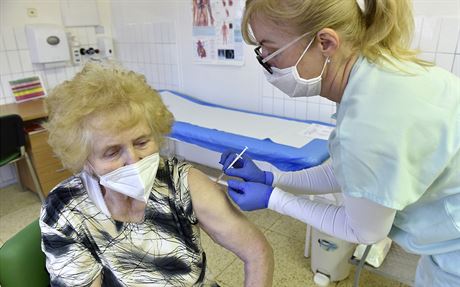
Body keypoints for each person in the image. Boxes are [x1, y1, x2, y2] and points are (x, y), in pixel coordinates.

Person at [218, 0, 460, 286]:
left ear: (325, 42)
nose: (267, 63)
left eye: (270, 49)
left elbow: (363, 231)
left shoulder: (372, 117)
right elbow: (347, 172)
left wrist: (274, 200)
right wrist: (273, 179)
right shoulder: (377, 75)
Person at [40, 62, 273, 287]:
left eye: (142, 142)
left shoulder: (183, 183)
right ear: (85, 160)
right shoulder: (67, 210)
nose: (133, 160)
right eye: (112, 152)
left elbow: (257, 253)